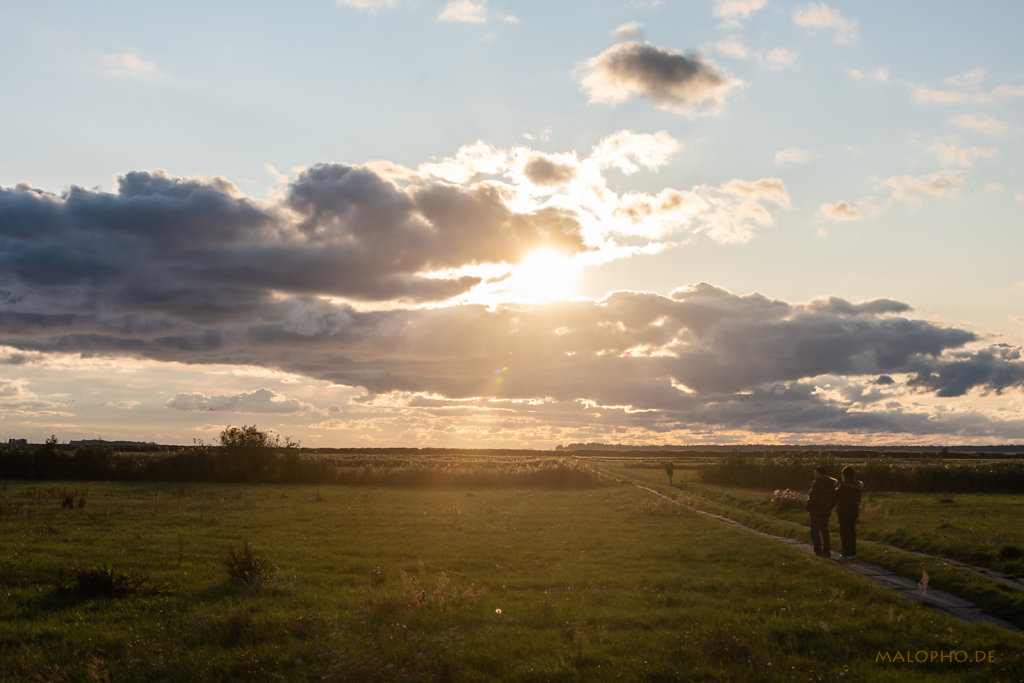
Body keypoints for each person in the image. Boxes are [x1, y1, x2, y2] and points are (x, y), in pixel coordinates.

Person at [806, 465, 837, 558]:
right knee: (825, 532)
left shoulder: (817, 483)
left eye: (815, 472)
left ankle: (818, 551)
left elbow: (813, 497)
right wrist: (830, 507)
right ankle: (827, 552)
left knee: (814, 532)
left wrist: (808, 506)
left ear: (819, 473)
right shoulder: (831, 483)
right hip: (826, 510)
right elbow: (834, 498)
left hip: (816, 510)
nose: (814, 474)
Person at [835, 465, 863, 560]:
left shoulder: (843, 486)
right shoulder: (858, 486)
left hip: (844, 511)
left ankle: (846, 553)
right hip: (854, 511)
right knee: (852, 532)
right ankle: (852, 553)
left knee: (844, 533)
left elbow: (837, 496)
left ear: (845, 475)